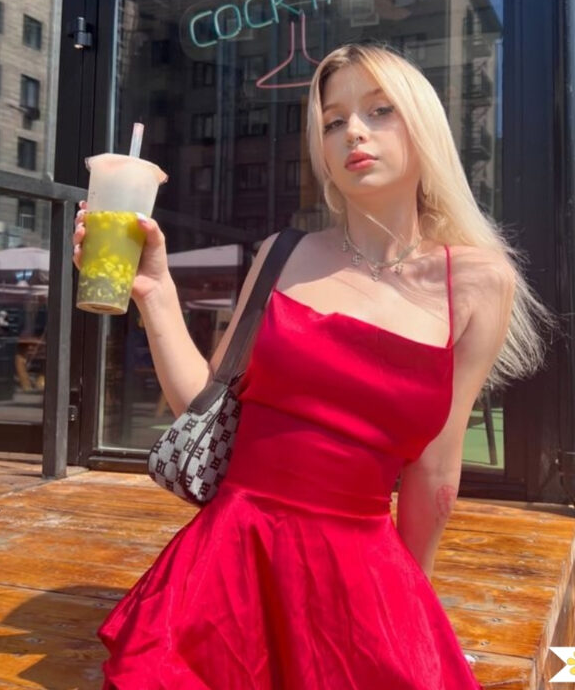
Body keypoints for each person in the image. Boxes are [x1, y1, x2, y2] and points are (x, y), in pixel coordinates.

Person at [72, 42, 549, 689]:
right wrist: (155, 291)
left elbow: (436, 470)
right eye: (333, 120)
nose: (354, 131)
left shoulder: (479, 281)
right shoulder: (282, 254)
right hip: (228, 570)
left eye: (380, 110)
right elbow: (202, 401)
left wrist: (415, 605)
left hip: (360, 573)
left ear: (424, 126)